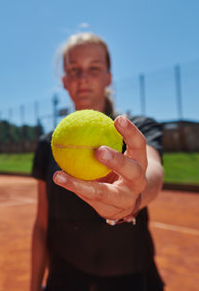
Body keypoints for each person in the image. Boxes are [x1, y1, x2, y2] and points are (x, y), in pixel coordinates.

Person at [30, 32, 165, 291]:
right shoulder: (47, 145)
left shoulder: (134, 130)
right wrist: (34, 286)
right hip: (64, 279)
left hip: (133, 280)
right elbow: (41, 225)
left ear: (108, 77)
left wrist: (136, 195)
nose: (83, 79)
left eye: (94, 68)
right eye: (74, 69)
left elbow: (154, 172)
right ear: (64, 80)